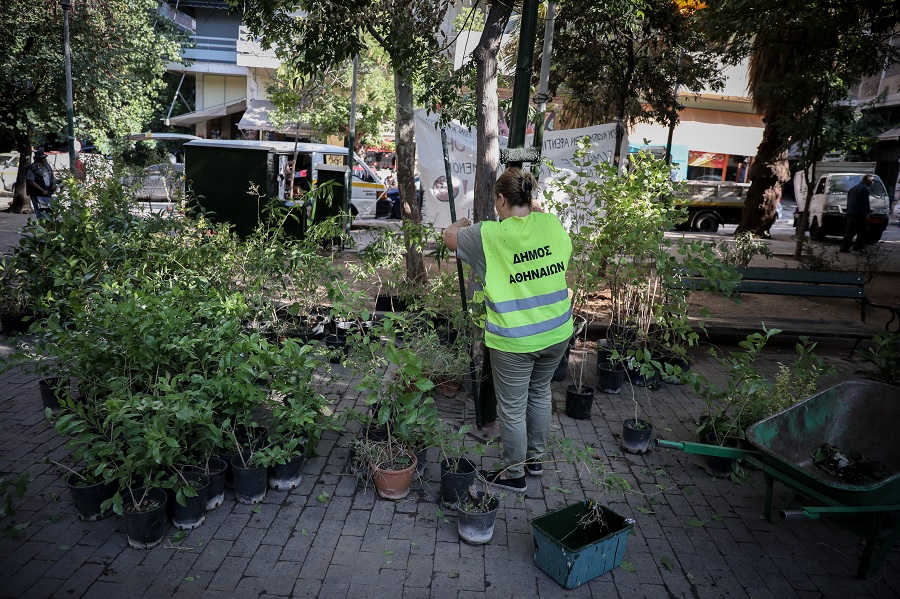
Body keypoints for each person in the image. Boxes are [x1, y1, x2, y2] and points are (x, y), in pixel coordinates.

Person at [443, 168, 573, 492]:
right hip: (557, 332)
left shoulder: (487, 235)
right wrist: (531, 203)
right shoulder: (551, 224)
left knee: (512, 407)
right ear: (530, 197)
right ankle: (535, 460)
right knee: (540, 392)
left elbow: (448, 237)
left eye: (498, 201)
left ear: (500, 199)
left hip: (515, 341)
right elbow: (540, 216)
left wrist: (462, 224)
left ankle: (515, 475)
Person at [840, 174, 874, 252]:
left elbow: (849, 201)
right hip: (859, 214)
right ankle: (858, 247)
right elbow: (864, 203)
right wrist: (866, 213)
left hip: (851, 212)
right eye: (871, 181)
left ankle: (844, 248)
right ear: (866, 180)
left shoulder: (853, 188)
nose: (872, 183)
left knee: (849, 231)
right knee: (863, 230)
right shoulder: (864, 189)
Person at [25, 148, 56, 216]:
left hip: (47, 192)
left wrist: (53, 184)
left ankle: (47, 225)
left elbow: (52, 176)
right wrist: (42, 190)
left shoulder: (47, 166)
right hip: (36, 193)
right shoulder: (32, 167)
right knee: (39, 211)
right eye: (42, 158)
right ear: (37, 159)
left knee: (48, 210)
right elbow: (31, 181)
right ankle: (41, 224)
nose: (44, 159)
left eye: (44, 158)